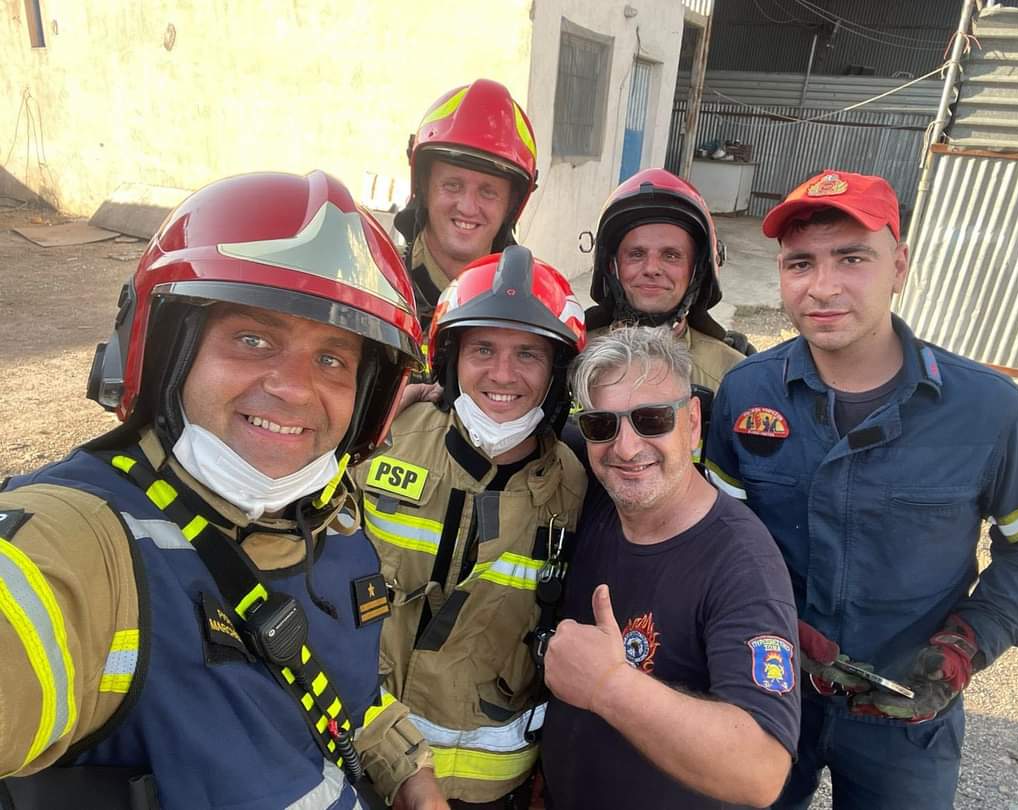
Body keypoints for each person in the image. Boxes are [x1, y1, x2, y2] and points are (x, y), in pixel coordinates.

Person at [0, 171, 449, 809]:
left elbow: (343, 683)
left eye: (331, 359)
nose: (293, 388)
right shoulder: (89, 542)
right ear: (166, 352)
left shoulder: (334, 524)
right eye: (253, 339)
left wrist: (409, 771)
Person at [704, 169, 1018, 810]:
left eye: (852, 259)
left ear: (899, 267)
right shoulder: (748, 394)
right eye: (801, 263)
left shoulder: (991, 412)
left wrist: (967, 643)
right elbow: (719, 534)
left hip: (906, 719)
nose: (823, 286)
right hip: (771, 691)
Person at [353, 246, 588, 807]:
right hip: (357, 759)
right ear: (450, 357)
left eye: (528, 353)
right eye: (483, 348)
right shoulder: (382, 437)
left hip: (489, 789)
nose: (502, 374)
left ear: (557, 373)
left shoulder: (578, 487)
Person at [541, 326, 800, 809]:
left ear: (693, 422)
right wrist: (420, 402)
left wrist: (609, 686)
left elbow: (761, 771)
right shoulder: (599, 494)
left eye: (653, 420)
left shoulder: (742, 563)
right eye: (602, 425)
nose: (626, 447)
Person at [585, 167, 755, 395]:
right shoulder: (568, 359)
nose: (651, 269)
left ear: (697, 271)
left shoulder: (735, 376)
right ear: (611, 266)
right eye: (636, 254)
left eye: (671, 255)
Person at [393, 79, 538, 330]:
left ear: (511, 205)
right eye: (452, 185)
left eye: (488, 192)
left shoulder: (538, 310)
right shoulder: (378, 283)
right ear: (424, 187)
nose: (468, 207)